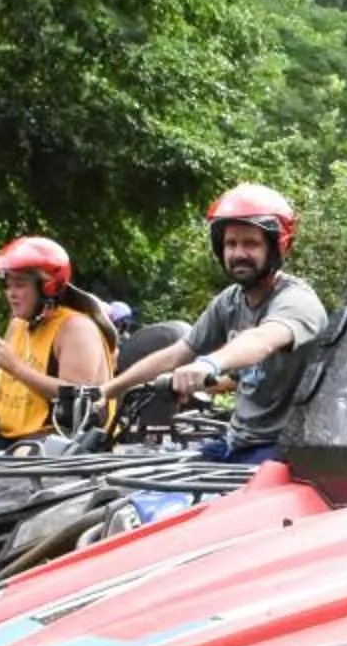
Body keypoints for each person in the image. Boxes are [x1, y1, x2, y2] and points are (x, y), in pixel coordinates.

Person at [102, 184, 327, 463]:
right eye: (230, 244)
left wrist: (207, 364)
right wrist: (107, 391)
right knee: (150, 482)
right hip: (238, 441)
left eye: (250, 243)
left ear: (277, 246)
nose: (237, 253)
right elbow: (177, 352)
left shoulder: (297, 301)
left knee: (206, 504)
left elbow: (262, 340)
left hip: (284, 448)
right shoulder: (230, 301)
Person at [0, 235, 113, 443]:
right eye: (8, 285)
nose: (11, 293)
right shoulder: (18, 324)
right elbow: (5, 383)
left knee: (6, 470)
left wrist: (17, 368)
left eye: (20, 285)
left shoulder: (75, 329)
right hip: (8, 434)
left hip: (57, 437)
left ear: (47, 287)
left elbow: (76, 398)